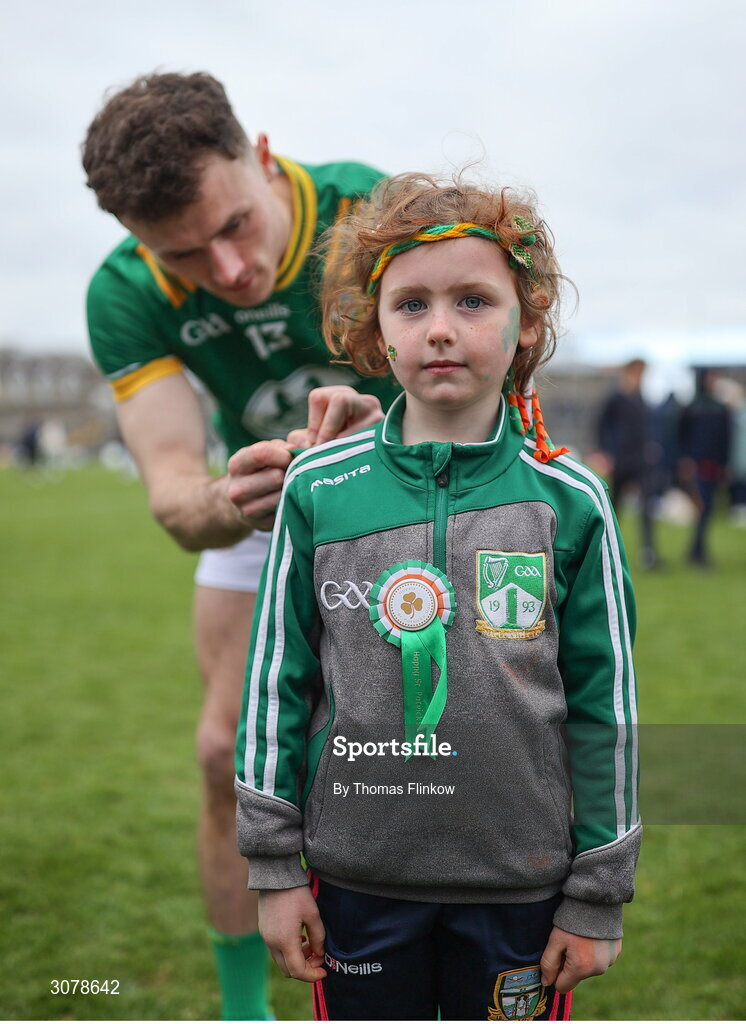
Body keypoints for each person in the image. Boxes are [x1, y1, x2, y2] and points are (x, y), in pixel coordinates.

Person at [235, 173, 641, 1020]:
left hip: (522, 893)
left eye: (473, 300)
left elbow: (609, 709)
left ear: (527, 322)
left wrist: (598, 892)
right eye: (410, 305)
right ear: (376, 333)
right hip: (353, 885)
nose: (442, 329)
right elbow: (275, 685)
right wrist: (275, 873)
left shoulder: (571, 500)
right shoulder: (318, 487)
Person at [83, 71, 398, 1020]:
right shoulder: (125, 293)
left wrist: (389, 431)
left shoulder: (372, 214)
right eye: (185, 254)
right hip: (258, 503)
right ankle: (242, 1011)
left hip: (406, 501)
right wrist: (235, 496)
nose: (226, 270)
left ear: (261, 158)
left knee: (418, 757)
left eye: (235, 227)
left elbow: (479, 372)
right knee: (224, 753)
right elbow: (177, 497)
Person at [597, 358, 661, 569]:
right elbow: (601, 425)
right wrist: (606, 452)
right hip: (621, 460)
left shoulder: (641, 398)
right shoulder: (616, 397)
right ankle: (604, 551)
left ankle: (649, 553)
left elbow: (645, 428)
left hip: (640, 461)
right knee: (615, 508)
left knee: (647, 507)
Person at [678, 369, 732, 566]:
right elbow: (682, 437)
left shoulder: (720, 408)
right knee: (702, 506)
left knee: (707, 508)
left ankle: (697, 549)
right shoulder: (692, 407)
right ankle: (697, 550)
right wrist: (685, 461)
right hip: (697, 467)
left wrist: (725, 465)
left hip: (713, 466)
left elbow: (726, 438)